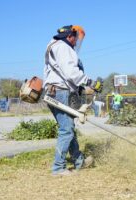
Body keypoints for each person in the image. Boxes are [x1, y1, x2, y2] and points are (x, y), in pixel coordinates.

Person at [44, 25, 103, 176]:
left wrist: (79, 88)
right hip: (61, 92)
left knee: (68, 128)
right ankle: (58, 168)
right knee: (66, 130)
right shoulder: (64, 47)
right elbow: (71, 73)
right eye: (76, 39)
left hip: (53, 91)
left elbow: (62, 72)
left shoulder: (53, 45)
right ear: (70, 36)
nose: (76, 43)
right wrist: (89, 82)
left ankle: (79, 161)